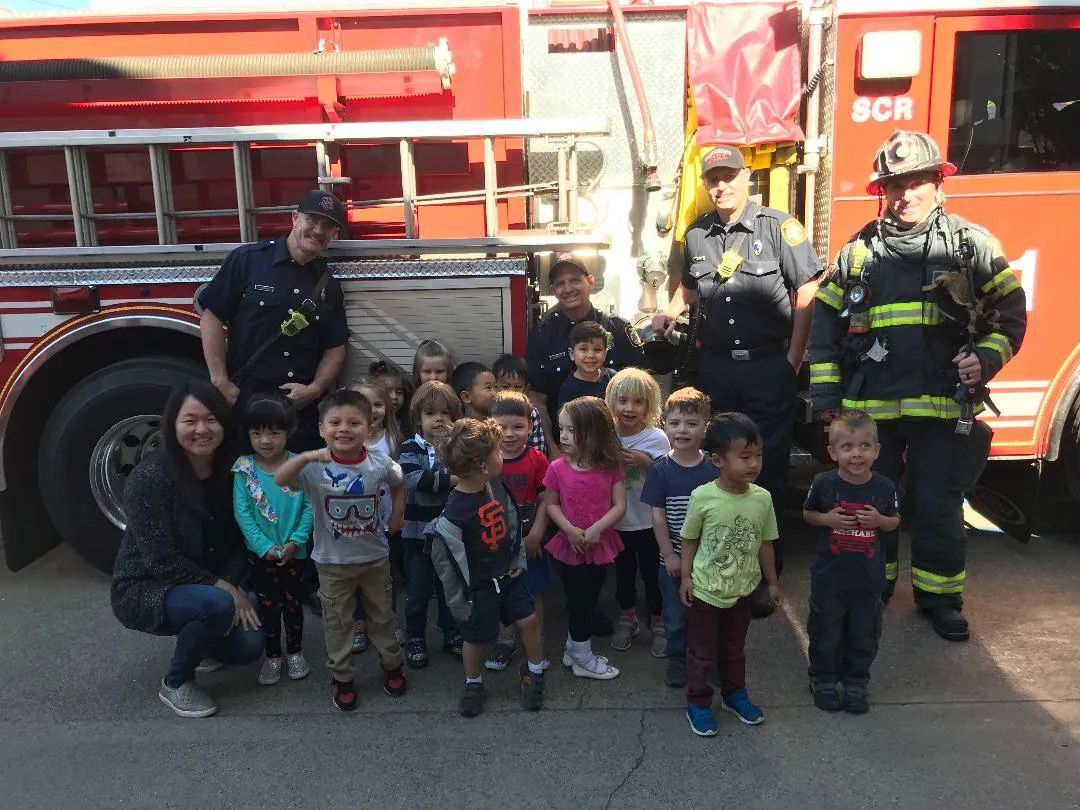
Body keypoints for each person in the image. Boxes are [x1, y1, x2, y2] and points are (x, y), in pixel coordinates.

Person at [808, 130, 1026, 641]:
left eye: (916, 182)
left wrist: (984, 359)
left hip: (942, 408)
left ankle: (940, 598)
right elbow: (825, 330)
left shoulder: (971, 246)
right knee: (869, 505)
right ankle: (873, 587)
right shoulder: (857, 253)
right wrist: (828, 402)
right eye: (894, 185)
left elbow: (1011, 315)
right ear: (882, 191)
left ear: (937, 184)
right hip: (871, 413)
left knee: (937, 504)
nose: (905, 195)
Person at [651, 146, 822, 614]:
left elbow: (807, 290)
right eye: (713, 178)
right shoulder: (698, 233)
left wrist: (793, 358)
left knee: (765, 469)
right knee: (717, 466)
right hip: (717, 369)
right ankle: (721, 568)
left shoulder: (778, 227)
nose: (720, 185)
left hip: (768, 368)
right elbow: (690, 288)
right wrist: (669, 312)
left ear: (747, 177)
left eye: (729, 176)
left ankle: (764, 578)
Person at [111, 380, 263, 719]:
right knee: (218, 605)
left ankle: (205, 638)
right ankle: (176, 682)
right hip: (147, 584)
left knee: (251, 646)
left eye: (211, 419)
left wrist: (231, 584)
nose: (201, 429)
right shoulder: (149, 478)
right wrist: (225, 590)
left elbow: (242, 539)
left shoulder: (235, 471)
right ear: (172, 425)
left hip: (210, 582)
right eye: (190, 420)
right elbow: (160, 560)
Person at [274, 388, 407, 711]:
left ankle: (392, 664)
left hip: (375, 558)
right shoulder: (313, 466)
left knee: (382, 616)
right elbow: (281, 478)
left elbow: (399, 481)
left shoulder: (379, 463)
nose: (344, 429)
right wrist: (304, 457)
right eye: (335, 423)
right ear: (321, 429)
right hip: (331, 563)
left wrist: (397, 513)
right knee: (338, 623)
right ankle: (342, 677)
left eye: (354, 422)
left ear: (369, 427)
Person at [198, 189, 350, 453]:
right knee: (244, 475)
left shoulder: (329, 286)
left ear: (334, 233)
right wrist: (220, 381)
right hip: (247, 406)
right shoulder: (248, 261)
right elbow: (212, 317)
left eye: (327, 226)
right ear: (294, 218)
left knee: (297, 478)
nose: (318, 230)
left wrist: (314, 390)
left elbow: (335, 347)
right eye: (312, 220)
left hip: (298, 414)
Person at [428, 418, 547, 717]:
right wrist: (459, 601)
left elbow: (512, 525)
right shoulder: (454, 515)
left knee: (529, 620)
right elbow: (446, 566)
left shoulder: (496, 486)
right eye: (496, 452)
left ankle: (535, 671)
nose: (501, 455)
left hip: (510, 576)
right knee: (475, 638)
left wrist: (518, 559)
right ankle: (473, 682)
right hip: (478, 588)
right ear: (483, 465)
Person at [680, 413, 781, 737]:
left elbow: (766, 543)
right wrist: (685, 578)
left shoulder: (762, 499)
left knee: (734, 648)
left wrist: (772, 583)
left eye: (758, 455)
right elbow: (689, 539)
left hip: (743, 591)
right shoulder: (702, 497)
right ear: (718, 460)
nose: (754, 464)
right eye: (745, 456)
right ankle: (698, 702)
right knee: (701, 652)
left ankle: (734, 694)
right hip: (705, 591)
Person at [803, 410, 899, 714]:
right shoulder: (823, 483)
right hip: (829, 578)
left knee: (864, 634)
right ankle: (823, 679)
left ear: (877, 450)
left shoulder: (885, 487)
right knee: (826, 631)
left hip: (868, 580)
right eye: (847, 447)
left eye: (865, 446)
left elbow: (895, 521)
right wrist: (827, 519)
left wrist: (880, 520)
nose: (857, 454)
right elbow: (807, 514)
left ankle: (857, 681)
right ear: (833, 452)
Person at [540, 397, 626, 680]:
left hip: (600, 545)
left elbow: (619, 505)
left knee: (591, 597)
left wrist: (597, 528)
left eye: (572, 430)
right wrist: (568, 529)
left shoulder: (610, 467)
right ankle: (582, 658)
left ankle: (574, 648)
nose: (563, 436)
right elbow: (551, 504)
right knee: (579, 601)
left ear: (594, 433)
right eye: (562, 429)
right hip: (571, 546)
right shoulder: (557, 468)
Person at [232, 395, 314, 686]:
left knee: (293, 605)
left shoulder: (298, 464)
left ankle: (295, 651)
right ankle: (272, 655)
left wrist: (297, 540)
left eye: (274, 433)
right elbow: (242, 512)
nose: (265, 440)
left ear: (288, 432)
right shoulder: (244, 468)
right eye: (257, 433)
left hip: (295, 552)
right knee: (269, 606)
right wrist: (264, 547)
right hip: (261, 555)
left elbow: (309, 507)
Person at [641, 386, 717, 688]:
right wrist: (669, 554)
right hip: (671, 562)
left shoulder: (714, 467)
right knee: (674, 615)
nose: (682, 430)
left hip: (710, 560)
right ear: (665, 426)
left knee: (708, 613)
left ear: (704, 428)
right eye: (674, 423)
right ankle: (677, 659)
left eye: (691, 423)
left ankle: (708, 659)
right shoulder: (660, 469)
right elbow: (657, 516)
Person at [526, 253, 645, 427]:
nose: (568, 289)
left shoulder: (618, 329)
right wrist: (552, 443)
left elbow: (641, 388)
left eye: (574, 280)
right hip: (564, 438)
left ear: (590, 281)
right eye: (560, 284)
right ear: (553, 291)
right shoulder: (542, 335)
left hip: (618, 435)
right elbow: (538, 399)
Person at [398, 381, 464, 668]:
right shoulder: (410, 447)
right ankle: (414, 636)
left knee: (450, 589)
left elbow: (468, 474)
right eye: (430, 413)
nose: (438, 419)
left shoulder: (457, 448)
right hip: (418, 536)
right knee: (419, 592)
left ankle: (451, 633)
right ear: (418, 419)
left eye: (445, 413)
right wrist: (452, 480)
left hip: (450, 535)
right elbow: (415, 479)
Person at [486, 391, 552, 672]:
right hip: (495, 544)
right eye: (502, 427)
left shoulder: (537, 460)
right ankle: (505, 640)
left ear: (530, 426)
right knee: (501, 592)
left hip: (530, 542)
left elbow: (547, 500)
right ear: (490, 426)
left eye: (518, 426)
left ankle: (535, 641)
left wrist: (536, 534)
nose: (510, 434)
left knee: (533, 591)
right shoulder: (486, 460)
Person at [606, 368, 670, 654]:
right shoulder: (606, 436)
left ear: (649, 405)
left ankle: (659, 619)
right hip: (617, 522)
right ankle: (627, 617)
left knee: (652, 573)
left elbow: (668, 477)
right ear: (611, 401)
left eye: (638, 402)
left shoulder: (657, 438)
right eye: (622, 401)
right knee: (623, 573)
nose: (629, 408)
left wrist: (645, 462)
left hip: (649, 522)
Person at [346, 378, 404, 654]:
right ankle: (360, 622)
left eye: (378, 404)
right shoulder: (346, 442)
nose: (372, 410)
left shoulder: (393, 440)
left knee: (386, 575)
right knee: (358, 575)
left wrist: (398, 516)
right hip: (355, 523)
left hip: (386, 520)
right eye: (364, 405)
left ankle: (387, 619)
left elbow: (401, 484)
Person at [492, 353, 551, 456]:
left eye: (517, 386)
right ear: (495, 387)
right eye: (505, 386)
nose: (511, 391)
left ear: (526, 388)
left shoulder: (532, 412)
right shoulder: (489, 410)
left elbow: (538, 448)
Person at [557, 320, 617, 411]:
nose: (590, 355)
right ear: (572, 354)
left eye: (597, 349)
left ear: (605, 354)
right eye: (583, 349)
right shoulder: (568, 389)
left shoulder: (613, 378)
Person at [369, 358, 413, 440]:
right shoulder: (370, 422)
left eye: (399, 392)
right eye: (387, 392)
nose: (394, 396)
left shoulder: (406, 422)